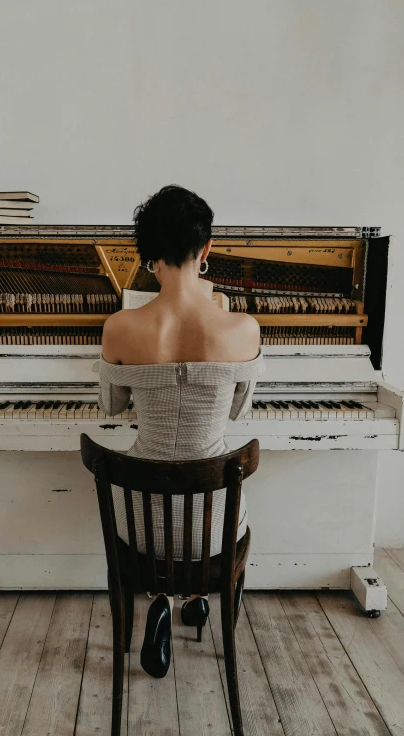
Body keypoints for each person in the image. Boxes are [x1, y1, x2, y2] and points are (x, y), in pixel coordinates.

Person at [99, 185, 264, 678]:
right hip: (213, 524)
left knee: (155, 492)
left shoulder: (119, 327)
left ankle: (164, 599)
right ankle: (192, 596)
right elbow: (237, 411)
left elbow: (111, 407)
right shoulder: (244, 330)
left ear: (148, 255)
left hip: (141, 524)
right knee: (212, 509)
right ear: (206, 249)